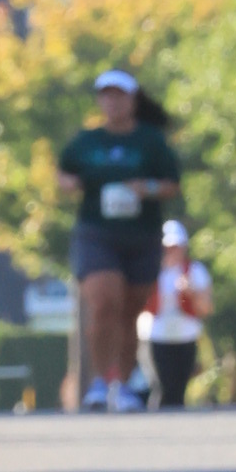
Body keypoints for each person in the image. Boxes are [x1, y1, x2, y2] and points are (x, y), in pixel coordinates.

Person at [55, 65, 182, 414]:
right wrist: (69, 183)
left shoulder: (151, 141)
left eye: (119, 95)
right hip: (97, 233)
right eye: (106, 96)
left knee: (129, 312)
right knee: (104, 301)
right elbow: (64, 171)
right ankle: (99, 381)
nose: (112, 102)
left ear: (133, 100)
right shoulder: (87, 141)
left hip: (141, 235)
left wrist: (147, 188)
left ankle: (122, 384)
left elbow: (172, 183)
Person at [146, 218, 211, 410]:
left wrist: (191, 292)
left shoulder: (195, 271)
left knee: (179, 388)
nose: (172, 251)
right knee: (162, 386)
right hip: (158, 336)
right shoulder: (151, 271)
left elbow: (206, 308)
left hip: (186, 336)